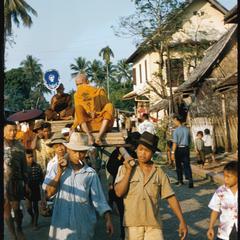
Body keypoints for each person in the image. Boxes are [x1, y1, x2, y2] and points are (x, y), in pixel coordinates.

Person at [114, 131, 188, 240]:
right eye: (140, 149)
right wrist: (129, 171)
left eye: (147, 150)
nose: (142, 153)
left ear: (153, 153)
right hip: (132, 225)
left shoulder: (159, 172)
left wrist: (182, 221)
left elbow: (170, 197)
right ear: (136, 149)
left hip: (154, 225)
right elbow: (119, 192)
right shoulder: (125, 168)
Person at [42, 132, 114, 239]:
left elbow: (99, 199)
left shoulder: (90, 173)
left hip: (83, 226)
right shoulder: (56, 168)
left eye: (82, 152)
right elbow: (48, 193)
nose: (78, 155)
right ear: (69, 150)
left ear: (85, 153)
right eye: (75, 151)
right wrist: (58, 173)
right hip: (62, 227)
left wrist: (108, 220)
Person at [107, 132, 141, 240]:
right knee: (126, 215)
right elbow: (111, 167)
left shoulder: (119, 152)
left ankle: (126, 236)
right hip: (124, 188)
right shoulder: (124, 153)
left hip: (125, 188)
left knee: (125, 215)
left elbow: (109, 167)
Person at [72, 73, 115, 145]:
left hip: (100, 123)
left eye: (81, 83)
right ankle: (89, 136)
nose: (80, 86)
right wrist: (73, 126)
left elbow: (107, 111)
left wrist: (96, 112)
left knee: (109, 106)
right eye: (77, 85)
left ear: (87, 82)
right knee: (78, 108)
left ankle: (99, 136)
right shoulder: (76, 95)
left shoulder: (99, 92)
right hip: (87, 125)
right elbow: (78, 114)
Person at [4, 120, 28, 240]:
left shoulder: (20, 146)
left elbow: (24, 166)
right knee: (6, 210)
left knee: (17, 209)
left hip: (16, 182)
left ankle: (19, 228)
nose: (13, 133)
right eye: (10, 130)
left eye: (15, 130)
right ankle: (13, 235)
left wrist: (26, 183)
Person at [207, 161, 238, 240]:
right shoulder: (220, 191)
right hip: (224, 232)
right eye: (224, 176)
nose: (225, 179)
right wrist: (210, 227)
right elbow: (215, 210)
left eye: (228, 176)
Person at [171, 114, 194, 188]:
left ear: (177, 120)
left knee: (178, 166)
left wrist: (172, 152)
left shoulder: (176, 131)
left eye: (174, 120)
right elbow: (190, 140)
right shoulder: (187, 129)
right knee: (187, 165)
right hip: (186, 148)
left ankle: (180, 181)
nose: (173, 122)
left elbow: (175, 143)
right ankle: (190, 180)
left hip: (179, 149)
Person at [25, 149, 44, 230]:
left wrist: (42, 191)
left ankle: (35, 223)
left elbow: (41, 178)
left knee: (35, 206)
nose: (31, 159)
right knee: (28, 208)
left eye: (32, 157)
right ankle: (32, 217)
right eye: (28, 157)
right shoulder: (23, 167)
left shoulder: (37, 166)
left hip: (35, 188)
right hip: (26, 189)